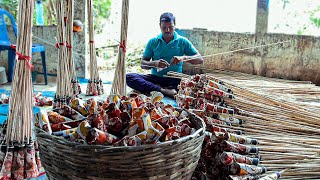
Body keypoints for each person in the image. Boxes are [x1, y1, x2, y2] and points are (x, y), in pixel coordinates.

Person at [126, 12, 203, 97]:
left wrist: (183, 58)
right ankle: (163, 90)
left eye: (170, 27)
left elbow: (200, 59)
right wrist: (154, 63)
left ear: (175, 26)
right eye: (164, 27)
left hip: (175, 80)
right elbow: (143, 64)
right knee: (129, 77)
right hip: (156, 79)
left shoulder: (182, 41)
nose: (167, 30)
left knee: (194, 87)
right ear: (160, 26)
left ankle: (157, 89)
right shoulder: (153, 42)